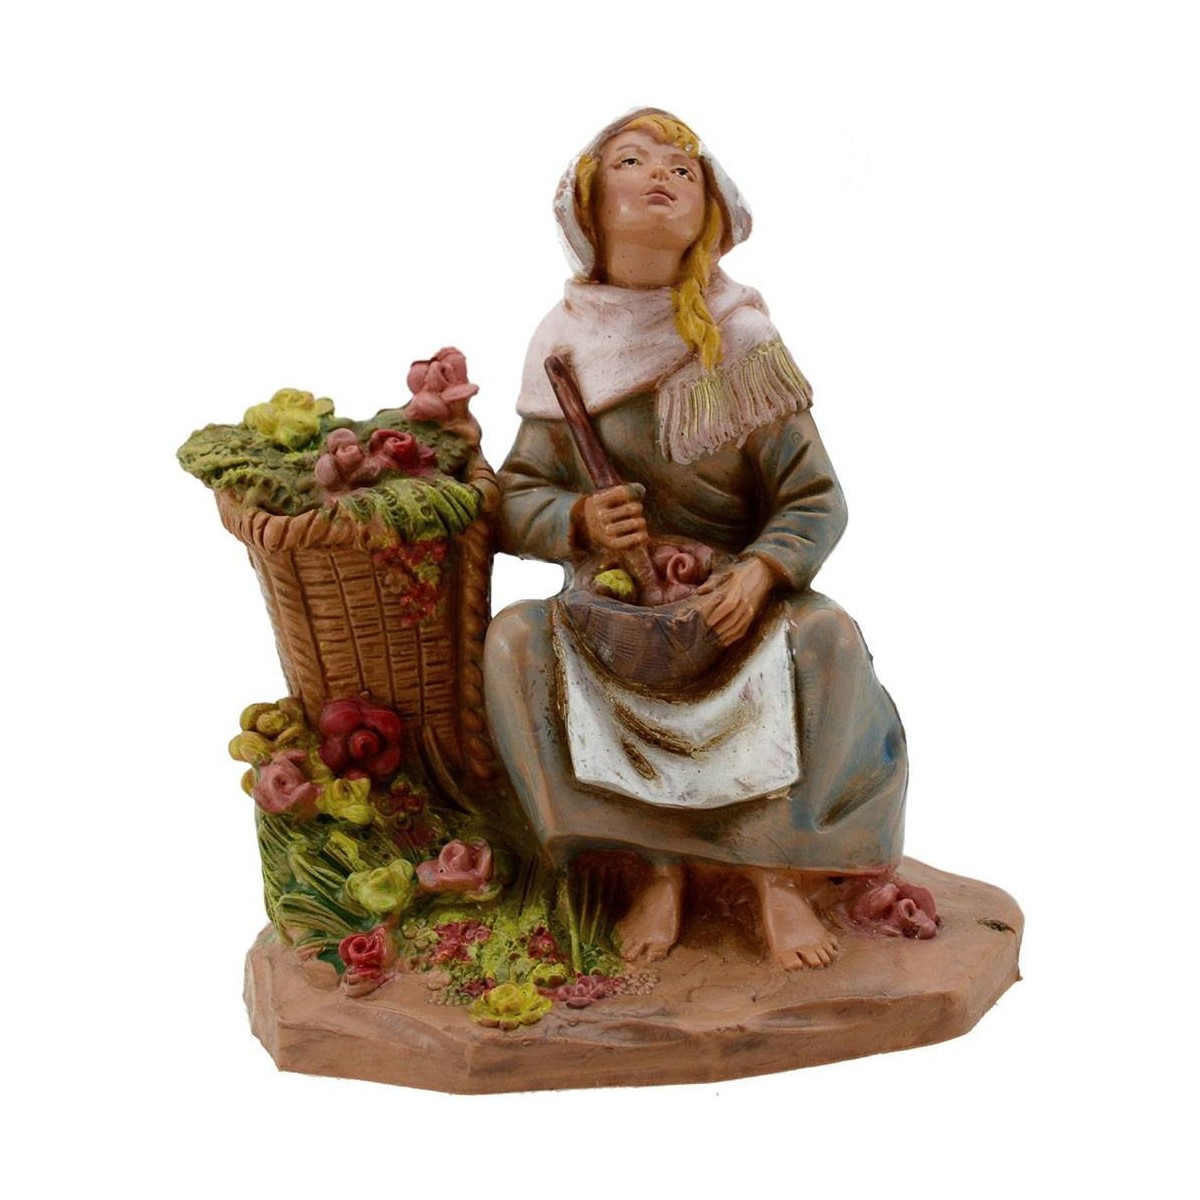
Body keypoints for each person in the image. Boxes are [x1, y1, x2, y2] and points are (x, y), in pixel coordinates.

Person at [484, 110, 908, 970]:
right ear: (588, 205)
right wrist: (578, 522)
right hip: (615, 612)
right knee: (514, 643)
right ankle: (656, 867)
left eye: (684, 168)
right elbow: (515, 495)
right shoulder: (565, 345)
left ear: (710, 208)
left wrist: (760, 573)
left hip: (735, 606)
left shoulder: (739, 340)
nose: (663, 176)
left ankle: (776, 875)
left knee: (828, 639)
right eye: (632, 160)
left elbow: (814, 498)